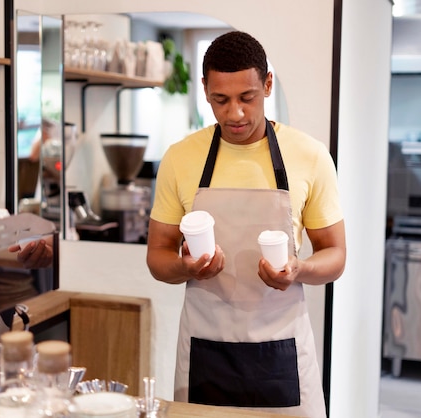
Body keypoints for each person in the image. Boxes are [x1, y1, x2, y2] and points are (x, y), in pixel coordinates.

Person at [146, 31, 346, 417]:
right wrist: (185, 267)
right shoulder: (180, 158)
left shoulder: (309, 155)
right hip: (205, 348)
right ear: (204, 90)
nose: (234, 113)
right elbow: (157, 256)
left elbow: (335, 255)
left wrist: (299, 269)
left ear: (268, 84)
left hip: (281, 349)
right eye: (221, 99)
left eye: (247, 98)